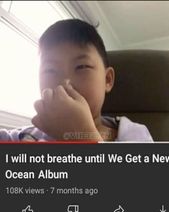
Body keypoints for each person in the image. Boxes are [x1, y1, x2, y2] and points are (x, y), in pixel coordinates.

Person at [0, 19, 153, 142]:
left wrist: (84, 137)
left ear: (107, 80)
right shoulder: (24, 137)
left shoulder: (133, 134)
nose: (65, 83)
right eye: (50, 70)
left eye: (81, 67)